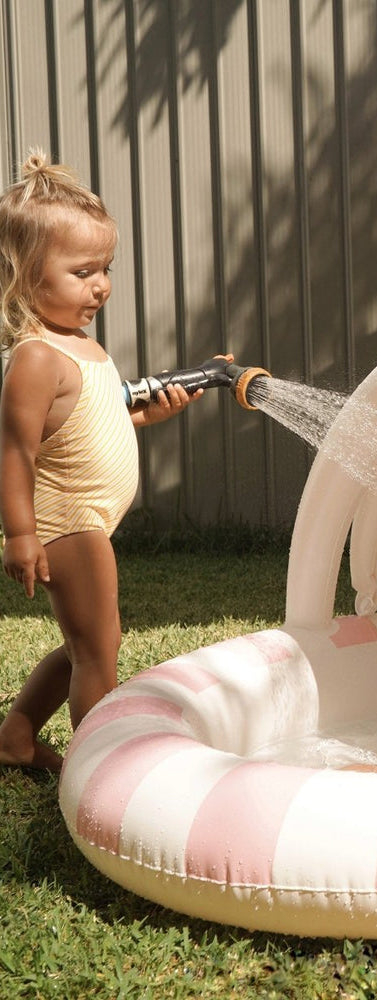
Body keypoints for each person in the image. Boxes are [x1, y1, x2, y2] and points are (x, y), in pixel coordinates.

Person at [0, 151, 224, 771]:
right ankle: (100, 770)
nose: (99, 284)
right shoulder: (37, 357)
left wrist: (148, 415)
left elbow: (88, 420)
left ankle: (15, 737)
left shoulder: (82, 345)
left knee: (82, 644)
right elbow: (15, 452)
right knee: (101, 648)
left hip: (89, 517)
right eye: (81, 272)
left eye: (106, 268)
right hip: (67, 518)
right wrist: (20, 535)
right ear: (23, 278)